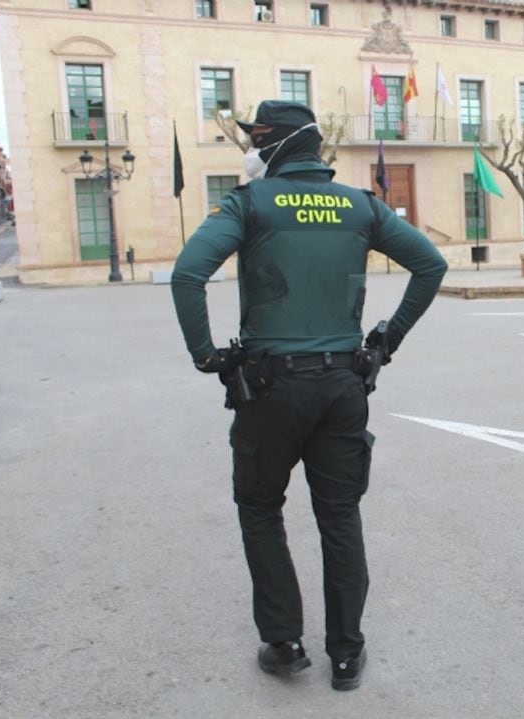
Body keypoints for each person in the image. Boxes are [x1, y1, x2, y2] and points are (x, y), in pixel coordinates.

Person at [171, 100, 447, 690]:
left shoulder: (248, 203)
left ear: (275, 144)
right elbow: (431, 265)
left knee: (261, 508)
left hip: (269, 387)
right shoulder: (360, 205)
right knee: (340, 515)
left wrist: (206, 355)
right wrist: (385, 339)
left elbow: (188, 274)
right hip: (344, 384)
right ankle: (346, 654)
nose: (250, 147)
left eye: (256, 138)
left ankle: (284, 641)